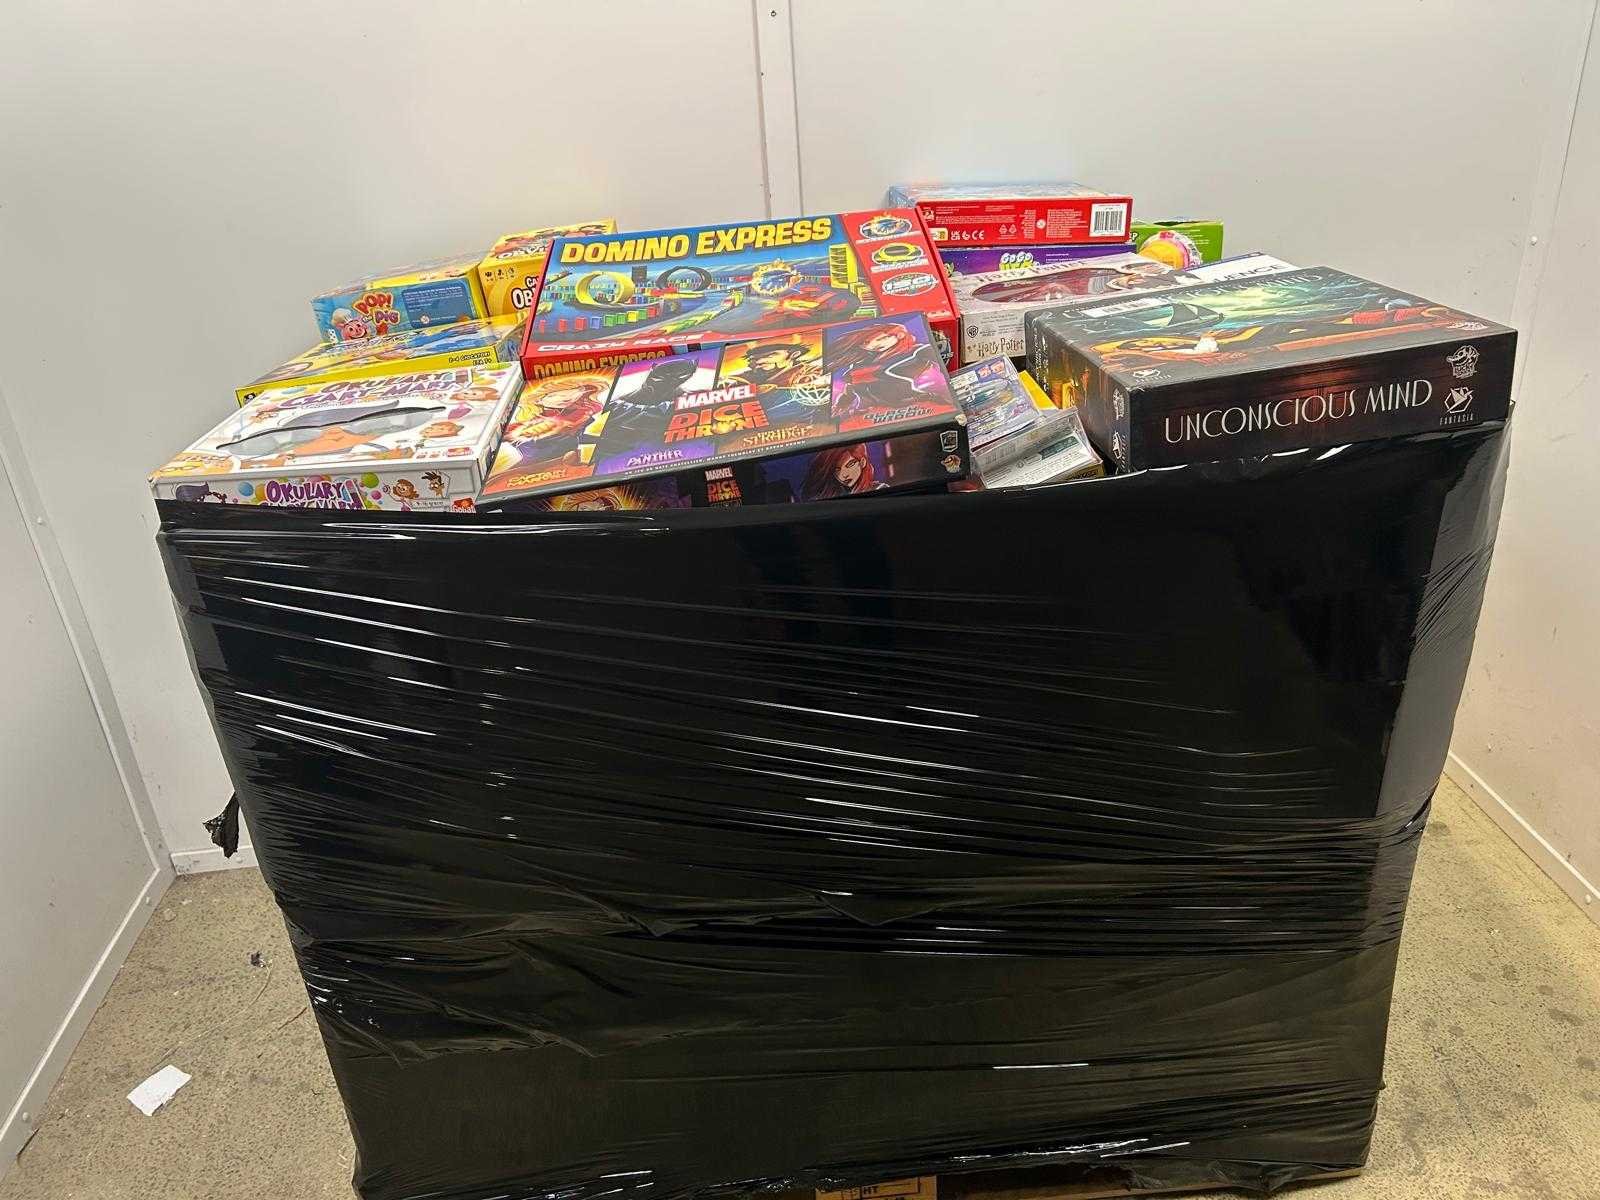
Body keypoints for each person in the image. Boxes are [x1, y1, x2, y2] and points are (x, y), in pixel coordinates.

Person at [827, 321, 943, 418]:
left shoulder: (915, 350)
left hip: (911, 402)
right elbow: (850, 388)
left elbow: (935, 359)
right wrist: (841, 404)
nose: (872, 345)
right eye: (866, 343)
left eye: (882, 338)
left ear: (899, 336)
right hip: (872, 412)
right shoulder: (863, 364)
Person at [800, 443, 883, 500]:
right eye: (837, 470)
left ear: (862, 462)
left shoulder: (879, 488)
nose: (844, 475)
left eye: (850, 465)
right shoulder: (830, 495)